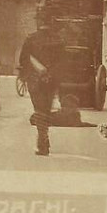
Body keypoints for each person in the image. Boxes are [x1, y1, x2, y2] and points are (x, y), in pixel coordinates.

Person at [18, 10, 65, 156]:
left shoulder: (31, 39)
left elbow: (23, 60)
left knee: (39, 109)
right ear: (50, 22)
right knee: (45, 109)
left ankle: (42, 140)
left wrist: (25, 75)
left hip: (35, 79)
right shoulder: (58, 40)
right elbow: (63, 62)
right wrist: (52, 75)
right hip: (51, 80)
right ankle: (44, 138)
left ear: (39, 23)